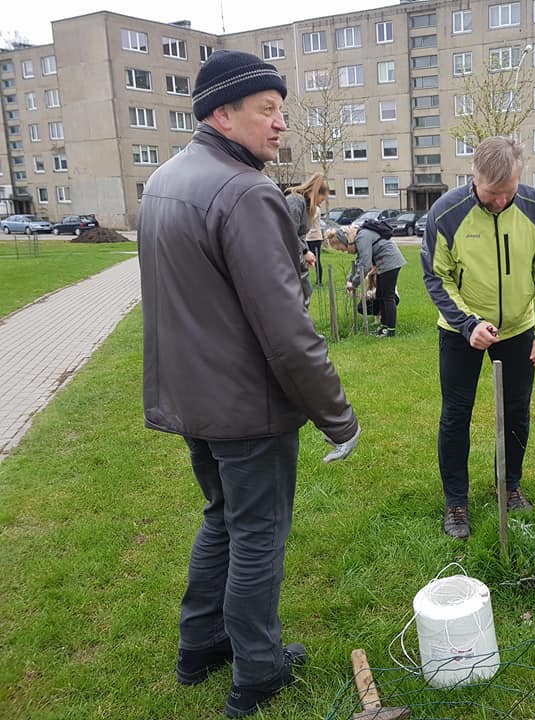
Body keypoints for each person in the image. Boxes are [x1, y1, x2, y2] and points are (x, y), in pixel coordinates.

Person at [137, 50, 361, 718]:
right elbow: (287, 330)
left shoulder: (165, 180)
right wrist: (339, 418)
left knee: (223, 524)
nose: (279, 125)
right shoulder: (246, 192)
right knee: (257, 537)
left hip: (194, 400)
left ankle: (200, 647)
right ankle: (258, 670)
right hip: (247, 409)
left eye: (281, 111)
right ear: (220, 113)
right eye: (265, 109)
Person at [421, 136, 535, 539]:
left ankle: (510, 485)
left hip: (518, 330)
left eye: (508, 192)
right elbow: (436, 276)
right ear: (474, 178)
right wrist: (468, 324)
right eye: (492, 193)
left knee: (516, 410)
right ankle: (456, 502)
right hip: (460, 332)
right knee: (456, 414)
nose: (501, 201)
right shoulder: (446, 213)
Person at [324, 219, 406, 337]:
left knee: (388, 296)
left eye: (340, 248)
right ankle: (384, 327)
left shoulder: (362, 237)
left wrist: (354, 283)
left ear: (343, 241)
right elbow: (359, 261)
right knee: (380, 295)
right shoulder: (359, 237)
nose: (342, 251)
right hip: (384, 263)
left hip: (390, 262)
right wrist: (350, 279)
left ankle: (390, 330)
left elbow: (365, 264)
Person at [284, 173, 329, 306]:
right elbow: (289, 234)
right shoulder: (295, 202)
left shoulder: (306, 205)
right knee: (300, 297)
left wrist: (305, 253)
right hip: (287, 258)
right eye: (322, 198)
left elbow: (300, 235)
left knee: (305, 294)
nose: (321, 202)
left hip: (296, 257)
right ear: (316, 192)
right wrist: (304, 252)